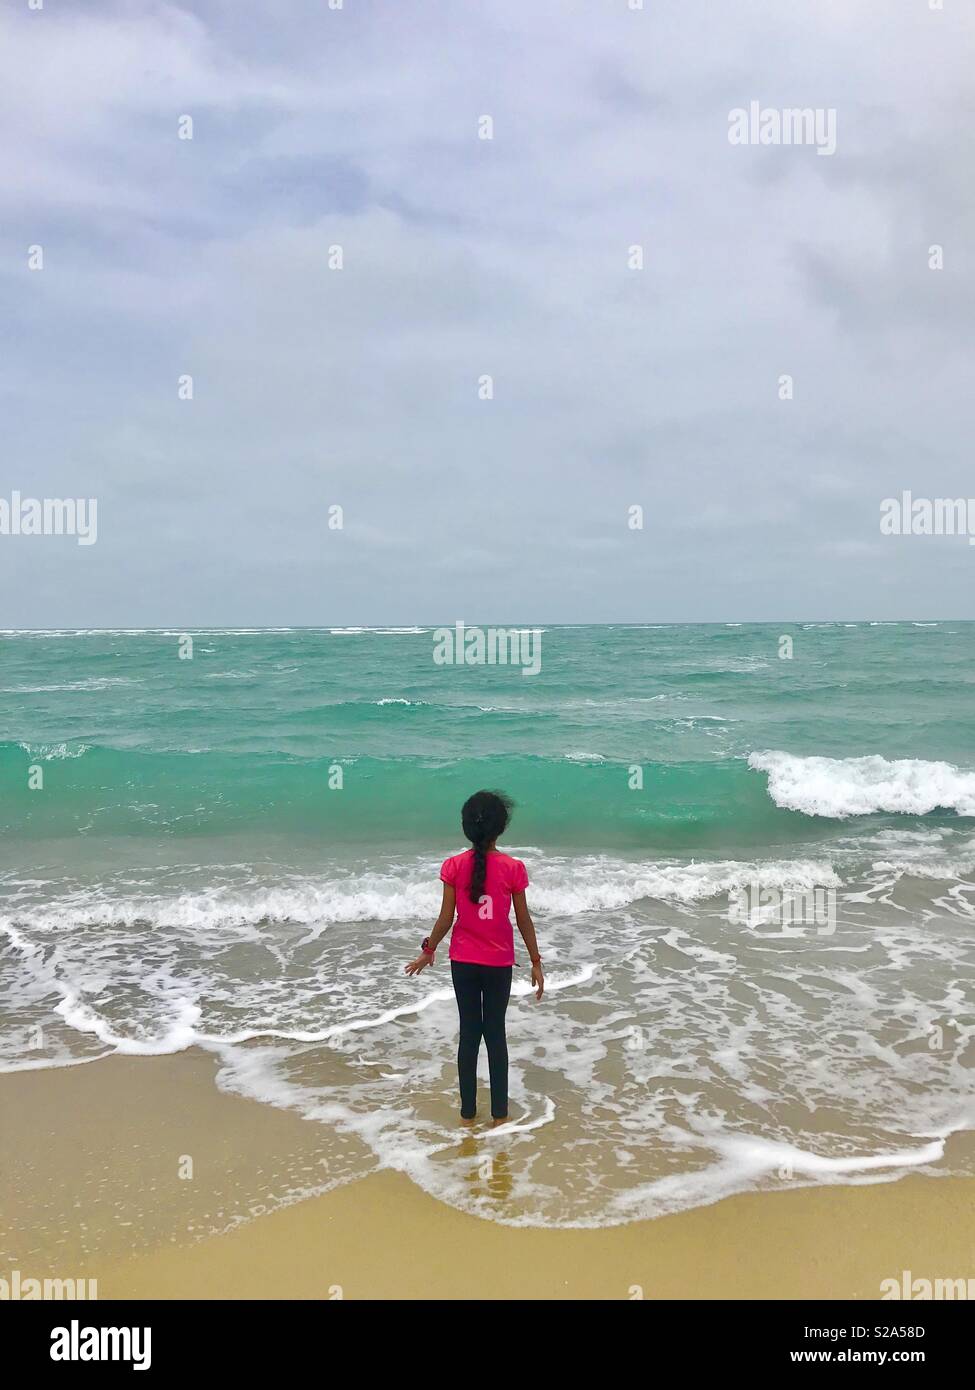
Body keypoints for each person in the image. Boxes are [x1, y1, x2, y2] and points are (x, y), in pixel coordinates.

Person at [405, 790, 544, 1126]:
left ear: (466, 827)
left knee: (469, 1033)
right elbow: (523, 919)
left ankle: (467, 1112)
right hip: (498, 965)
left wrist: (429, 950)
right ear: (501, 829)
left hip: (463, 962)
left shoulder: (453, 866)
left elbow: (445, 918)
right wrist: (536, 961)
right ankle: (499, 1115)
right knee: (495, 1034)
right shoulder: (513, 868)